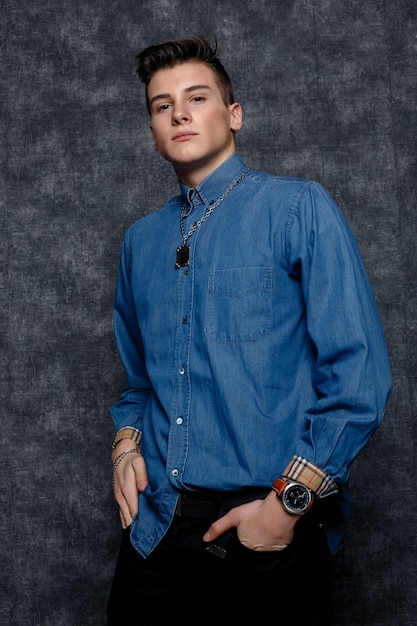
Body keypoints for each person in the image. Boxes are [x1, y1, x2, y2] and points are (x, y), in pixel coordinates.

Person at [106, 36, 392, 625]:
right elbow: (139, 383)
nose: (179, 113)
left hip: (266, 529)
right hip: (157, 530)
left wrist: (284, 509)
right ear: (153, 129)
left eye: (197, 97)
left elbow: (358, 375)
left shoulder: (298, 209)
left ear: (233, 115)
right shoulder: (140, 242)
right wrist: (125, 446)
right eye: (162, 105)